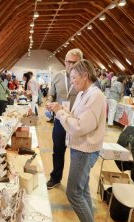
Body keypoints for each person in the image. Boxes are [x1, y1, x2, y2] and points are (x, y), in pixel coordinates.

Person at [46, 59, 106, 222]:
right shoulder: (83, 94)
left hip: (85, 150)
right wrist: (61, 110)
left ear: (84, 76)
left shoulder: (96, 97)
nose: (71, 82)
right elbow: (75, 116)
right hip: (79, 148)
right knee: (82, 189)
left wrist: (61, 114)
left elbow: (80, 127)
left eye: (73, 78)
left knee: (73, 192)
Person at [46, 48, 83, 189]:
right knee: (58, 150)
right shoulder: (57, 76)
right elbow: (51, 95)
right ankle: (55, 178)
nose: (70, 65)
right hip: (60, 120)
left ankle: (76, 185)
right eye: (68, 62)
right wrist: (49, 103)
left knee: (77, 154)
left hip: (77, 122)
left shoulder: (84, 79)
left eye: (74, 62)